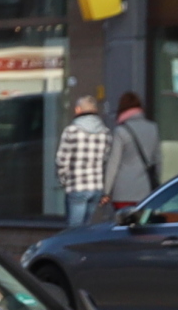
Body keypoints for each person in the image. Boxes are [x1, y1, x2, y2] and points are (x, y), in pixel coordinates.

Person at [55, 94, 112, 227]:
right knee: (86, 229)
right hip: (96, 186)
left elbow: (62, 160)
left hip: (77, 185)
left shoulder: (72, 131)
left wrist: (64, 180)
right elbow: (106, 160)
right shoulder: (106, 132)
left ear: (78, 110)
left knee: (73, 230)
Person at [108, 91, 160, 209]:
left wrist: (106, 191)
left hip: (122, 192)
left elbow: (113, 163)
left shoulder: (121, 131)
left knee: (122, 225)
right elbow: (158, 160)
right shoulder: (153, 128)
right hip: (145, 190)